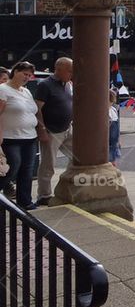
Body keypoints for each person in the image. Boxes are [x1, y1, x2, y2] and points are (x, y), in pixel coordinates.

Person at [0, 61, 43, 209]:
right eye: (25, 74)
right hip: (11, 137)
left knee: (27, 170)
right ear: (15, 72)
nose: (27, 78)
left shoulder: (26, 91)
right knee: (12, 167)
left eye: (29, 76)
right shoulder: (3, 89)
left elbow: (33, 111)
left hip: (30, 137)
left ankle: (25, 202)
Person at [34, 56, 74, 205]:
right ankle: (44, 195)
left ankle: (68, 183)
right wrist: (42, 129)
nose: (72, 74)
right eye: (69, 71)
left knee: (79, 156)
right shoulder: (45, 85)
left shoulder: (67, 84)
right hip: (52, 130)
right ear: (59, 69)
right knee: (48, 164)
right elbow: (37, 109)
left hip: (67, 128)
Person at [108, 88, 121, 165]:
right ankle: (111, 162)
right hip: (110, 133)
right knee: (111, 146)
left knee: (114, 146)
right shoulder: (107, 110)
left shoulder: (113, 109)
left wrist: (119, 140)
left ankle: (112, 161)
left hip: (114, 133)